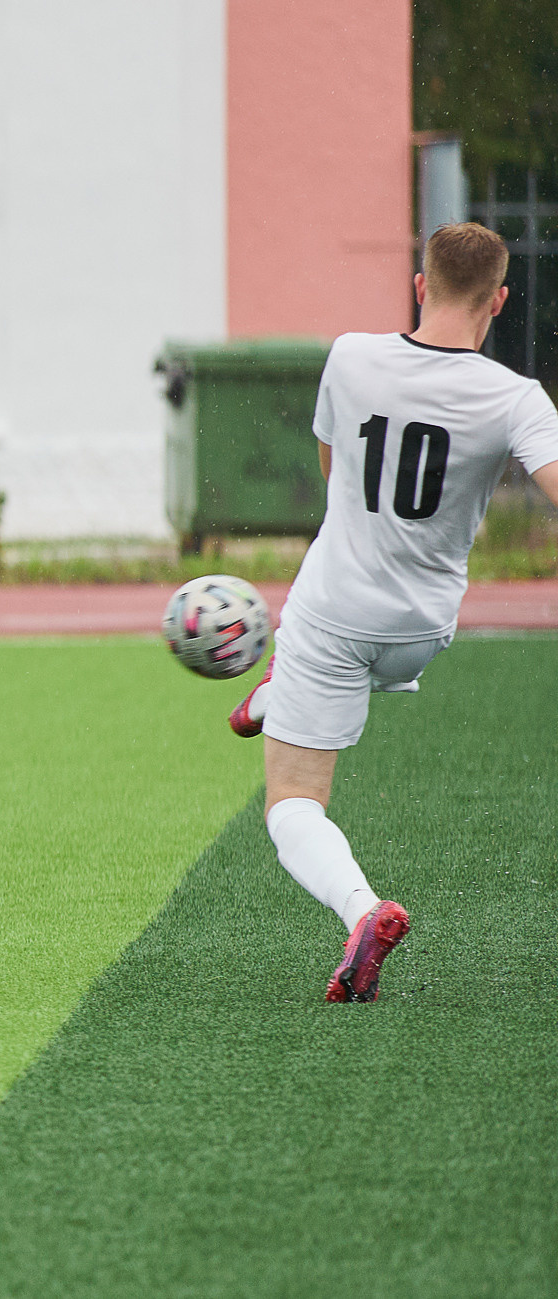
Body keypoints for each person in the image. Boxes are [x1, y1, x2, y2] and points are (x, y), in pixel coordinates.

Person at [228, 222, 558, 1000]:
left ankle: (363, 908)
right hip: (422, 630)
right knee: (347, 651)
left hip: (333, 615)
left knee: (292, 806)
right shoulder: (516, 397)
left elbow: (331, 469)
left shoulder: (350, 355)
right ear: (499, 300)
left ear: (420, 283)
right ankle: (282, 691)